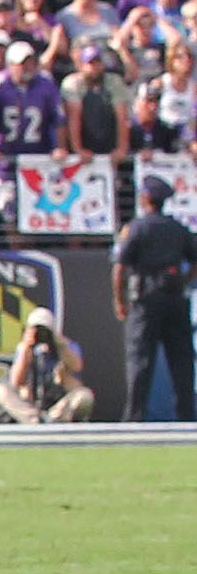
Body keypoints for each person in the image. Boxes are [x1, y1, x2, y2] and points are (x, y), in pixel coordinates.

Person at [111, 173, 194, 421]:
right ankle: (187, 417)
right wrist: (184, 280)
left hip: (145, 300)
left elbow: (120, 267)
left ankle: (134, 418)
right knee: (181, 361)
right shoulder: (178, 228)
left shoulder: (137, 228)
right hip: (175, 297)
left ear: (145, 198)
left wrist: (120, 301)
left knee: (140, 360)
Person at [0, 309, 96, 423]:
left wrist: (59, 343)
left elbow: (76, 367)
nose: (41, 334)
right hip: (29, 404)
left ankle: (54, 418)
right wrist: (26, 348)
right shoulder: (24, 348)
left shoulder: (67, 346)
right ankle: (34, 420)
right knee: (0, 391)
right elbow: (16, 382)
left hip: (59, 404)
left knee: (85, 396)